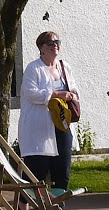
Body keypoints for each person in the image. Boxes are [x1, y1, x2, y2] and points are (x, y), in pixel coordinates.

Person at [19, 31, 76, 188]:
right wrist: (56, 94)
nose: (55, 45)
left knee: (62, 170)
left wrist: (72, 96)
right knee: (37, 170)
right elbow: (30, 94)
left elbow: (74, 89)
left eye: (57, 42)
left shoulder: (64, 67)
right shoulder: (34, 68)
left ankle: (57, 209)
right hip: (39, 128)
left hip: (62, 124)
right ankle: (24, 208)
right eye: (50, 43)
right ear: (41, 47)